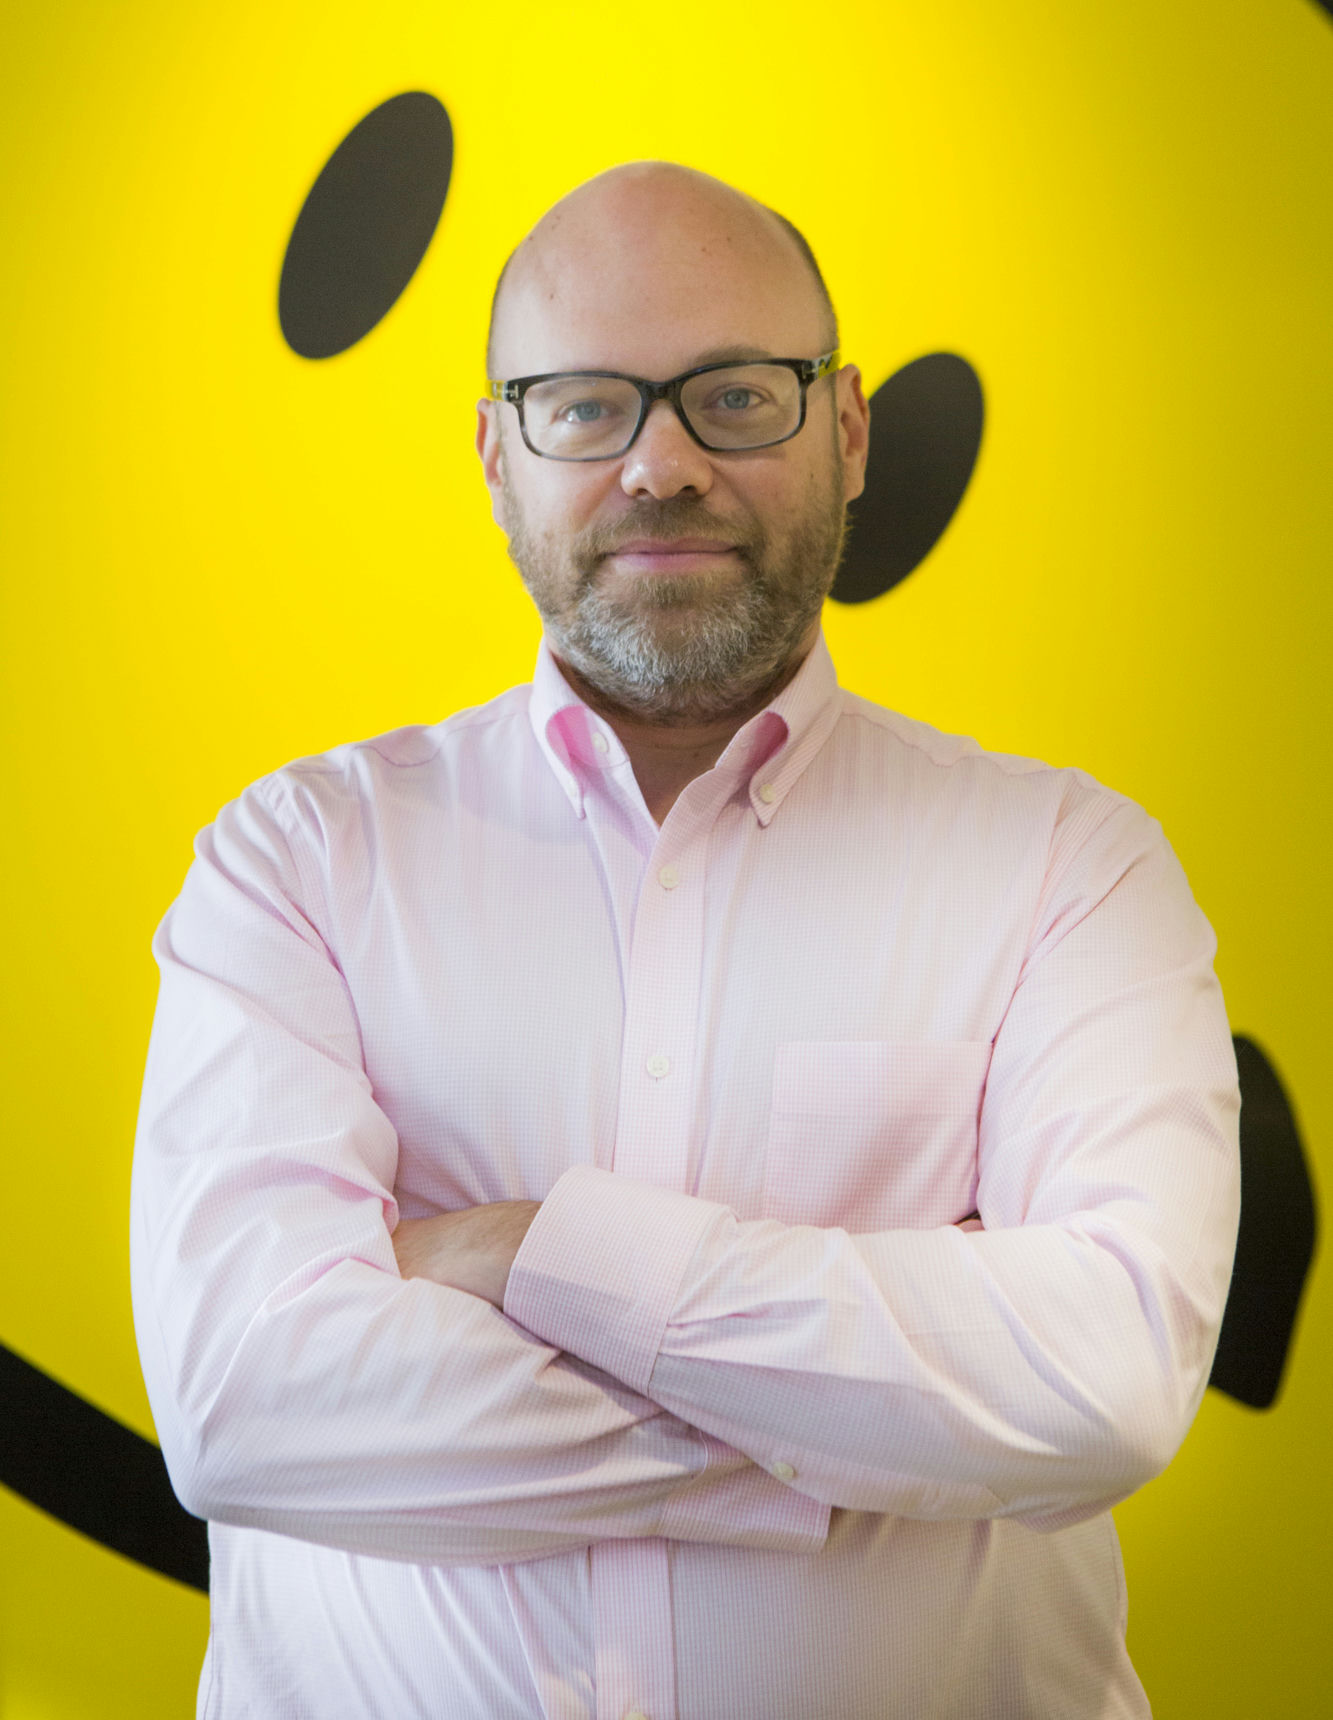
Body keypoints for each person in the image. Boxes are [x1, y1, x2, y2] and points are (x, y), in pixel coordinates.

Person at [130, 160, 1241, 1719]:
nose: (660, 465)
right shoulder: (298, 861)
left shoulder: (1068, 866)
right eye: (584, 405)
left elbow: (1105, 1384)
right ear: (496, 452)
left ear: (846, 430)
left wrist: (524, 1256)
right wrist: (875, 1426)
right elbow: (244, 1409)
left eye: (734, 396)